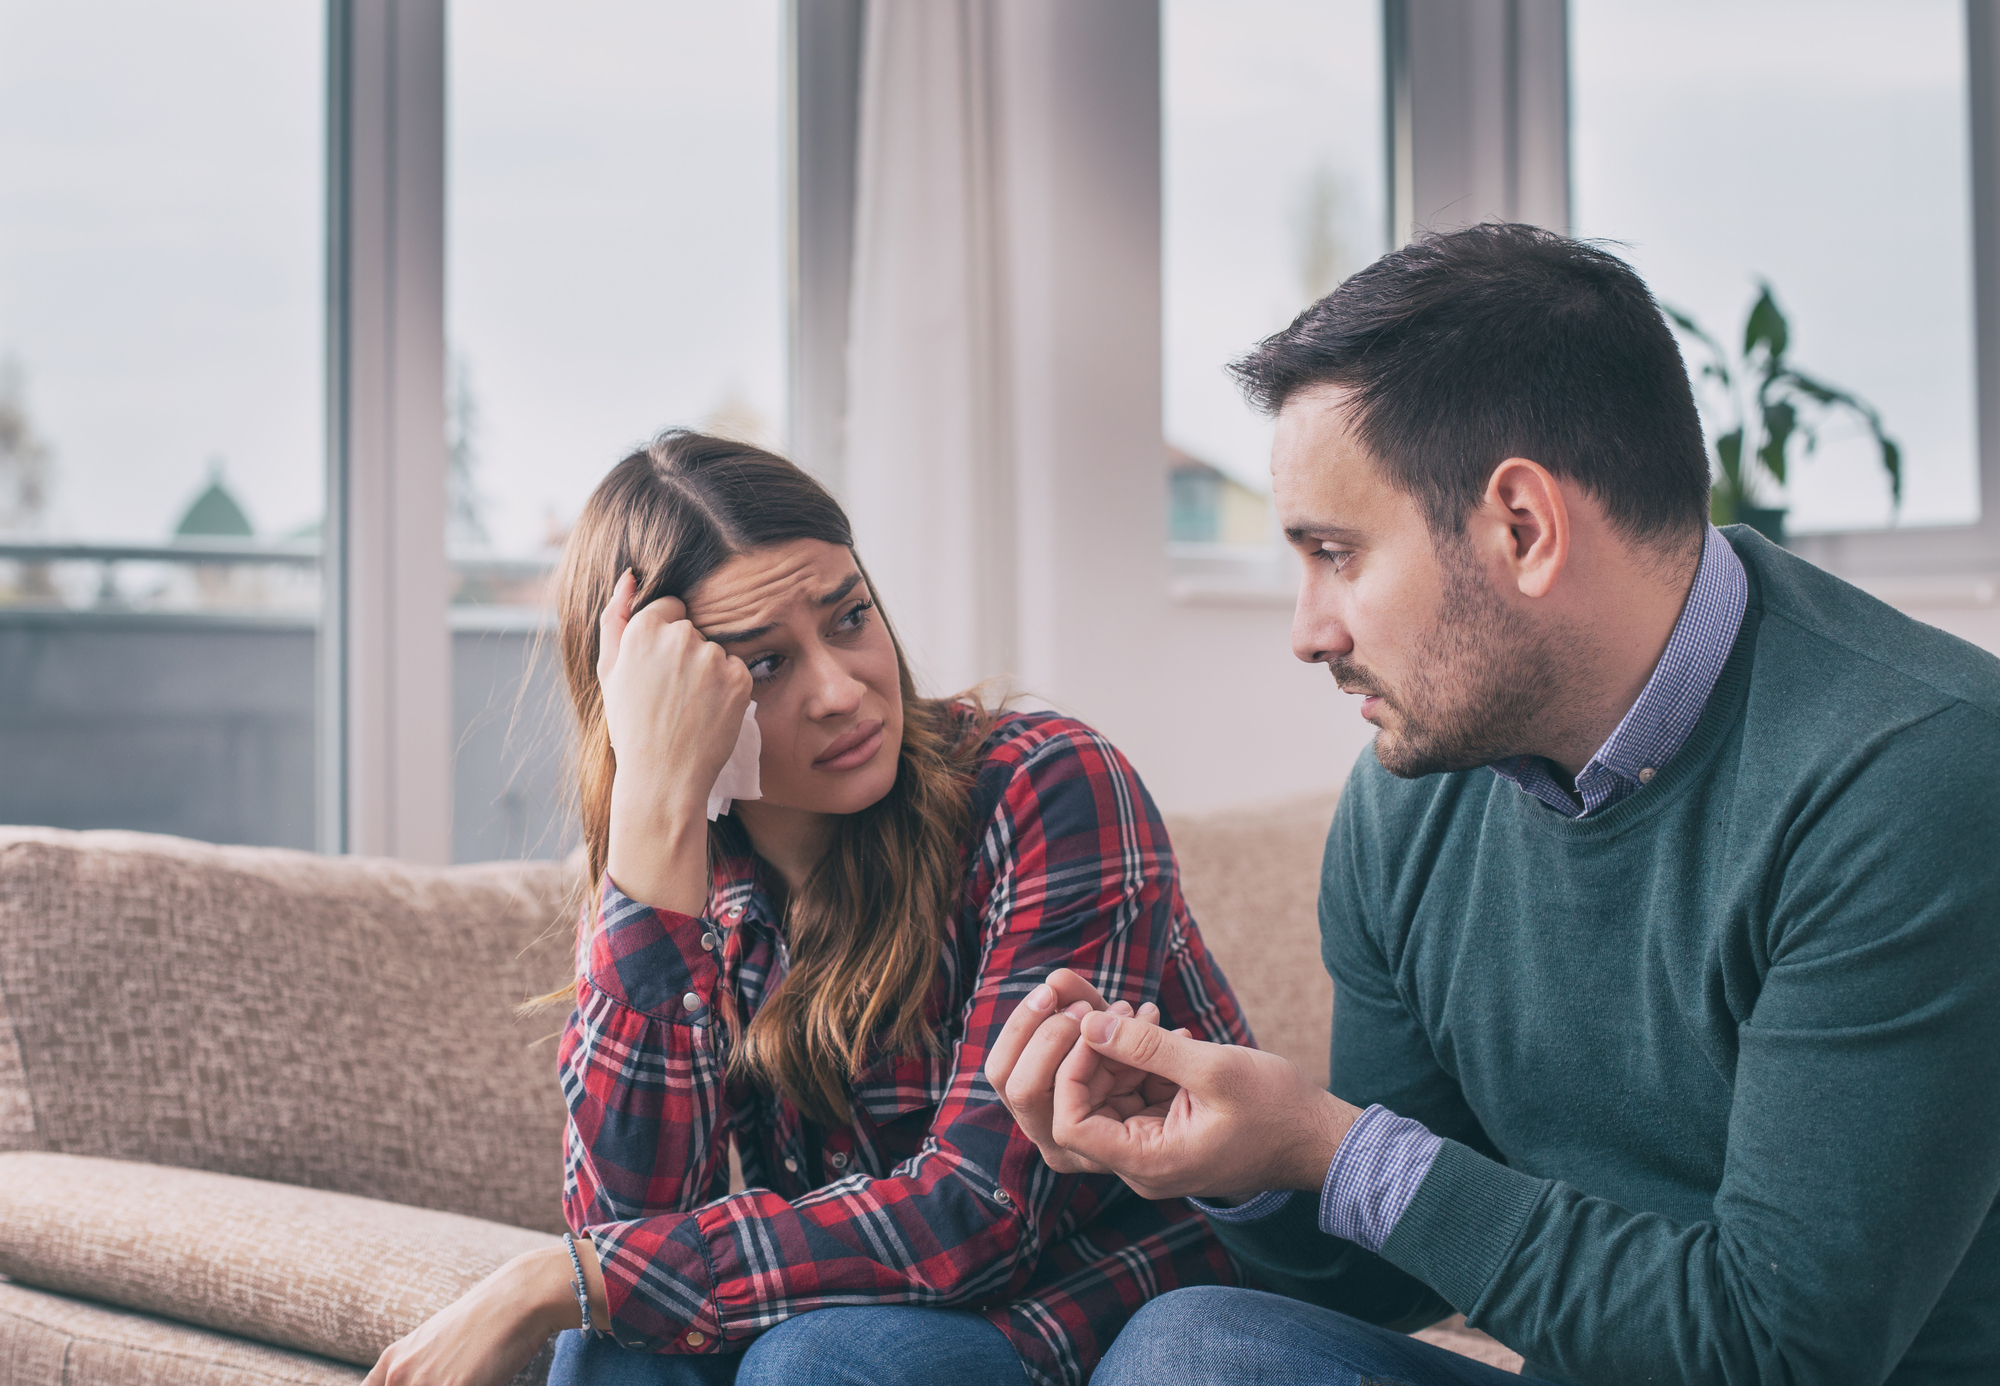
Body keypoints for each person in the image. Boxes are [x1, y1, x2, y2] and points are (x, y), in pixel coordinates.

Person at [988, 224, 2000, 1385]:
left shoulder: (1910, 777)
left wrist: (1339, 1149)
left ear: (1520, 528)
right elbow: (1390, 1275)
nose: (1308, 631)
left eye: (1336, 553)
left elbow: (1777, 1350)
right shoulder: (1404, 810)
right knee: (1189, 1353)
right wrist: (1250, 1164)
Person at [361, 430, 1251, 1386]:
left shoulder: (1045, 783)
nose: (842, 690)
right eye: (766, 665)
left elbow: (979, 1217)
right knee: (613, 1351)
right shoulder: (676, 873)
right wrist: (654, 810)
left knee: (805, 1361)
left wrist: (552, 1278)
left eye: (849, 616)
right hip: (864, 1316)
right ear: (671, 701)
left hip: (1103, 1308)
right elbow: (630, 1224)